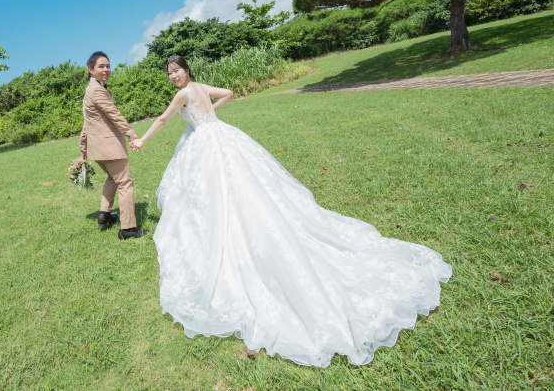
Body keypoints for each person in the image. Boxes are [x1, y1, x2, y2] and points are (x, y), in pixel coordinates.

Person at [130, 55, 452, 367]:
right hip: (222, 135)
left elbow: (162, 119)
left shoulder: (183, 94)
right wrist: (209, 116)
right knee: (242, 186)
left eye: (177, 71)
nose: (173, 76)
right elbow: (229, 93)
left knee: (215, 190)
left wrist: (142, 140)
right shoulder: (200, 88)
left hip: (207, 142)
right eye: (170, 73)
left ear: (186, 71)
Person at [80, 51, 148, 240]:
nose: (106, 69)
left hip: (98, 148)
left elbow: (87, 121)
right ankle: (128, 229)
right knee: (125, 183)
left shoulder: (91, 90)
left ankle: (105, 215)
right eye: (101, 66)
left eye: (108, 66)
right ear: (90, 69)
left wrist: (83, 144)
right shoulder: (97, 91)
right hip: (109, 146)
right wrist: (132, 135)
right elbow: (114, 114)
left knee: (112, 178)